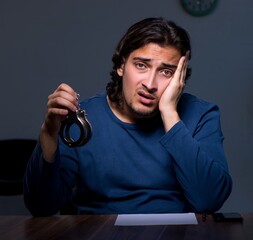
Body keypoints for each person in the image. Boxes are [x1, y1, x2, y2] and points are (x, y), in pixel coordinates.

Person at [24, 17, 232, 216]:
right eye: (141, 65)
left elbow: (209, 200)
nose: (150, 84)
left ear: (180, 79)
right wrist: (49, 133)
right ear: (121, 65)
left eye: (166, 72)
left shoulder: (201, 114)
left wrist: (169, 113)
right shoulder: (82, 119)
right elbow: (42, 207)